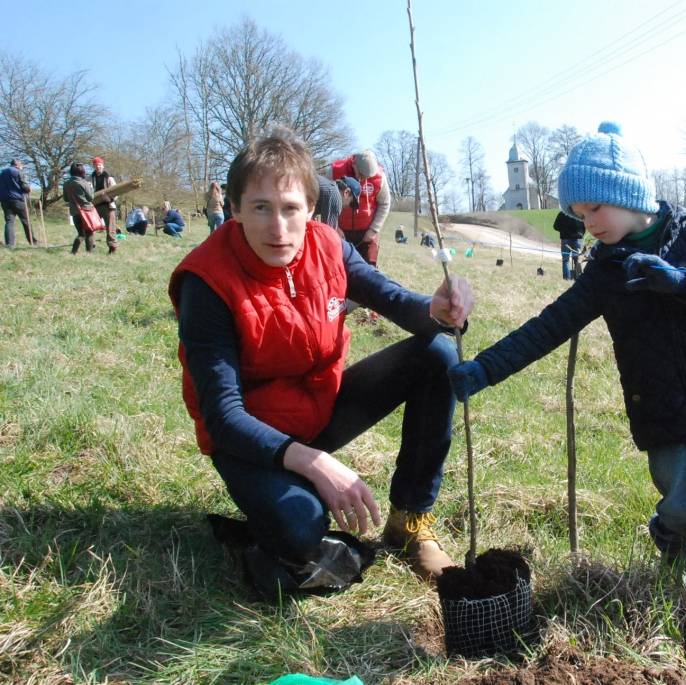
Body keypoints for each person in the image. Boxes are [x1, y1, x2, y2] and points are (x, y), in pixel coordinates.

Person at [447, 122, 686, 665]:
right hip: (658, 411)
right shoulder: (605, 270)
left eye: (594, 211)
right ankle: (675, 563)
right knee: (679, 505)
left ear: (628, 198)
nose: (586, 224)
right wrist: (485, 370)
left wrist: (679, 280)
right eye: (581, 215)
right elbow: (548, 327)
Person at [167, 128, 474, 597]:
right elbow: (223, 417)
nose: (278, 227)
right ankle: (265, 533)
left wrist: (436, 309)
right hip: (251, 439)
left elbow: (387, 295)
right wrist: (314, 463)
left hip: (320, 409)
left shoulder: (328, 245)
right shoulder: (206, 282)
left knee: (438, 351)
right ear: (233, 209)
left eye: (291, 208)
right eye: (260, 208)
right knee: (301, 528)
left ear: (310, 209)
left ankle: (409, 522)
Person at [331, 151, 391, 267]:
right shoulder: (335, 171)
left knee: (369, 268)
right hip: (341, 231)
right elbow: (325, 199)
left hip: (367, 233)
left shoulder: (380, 177)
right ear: (354, 164)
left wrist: (374, 229)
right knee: (340, 267)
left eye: (367, 177)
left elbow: (385, 203)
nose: (363, 179)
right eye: (361, 174)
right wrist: (335, 226)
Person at [1, 159, 38, 247]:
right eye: (21, 166)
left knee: (9, 222)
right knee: (26, 221)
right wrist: (28, 189)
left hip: (5, 200)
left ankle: (9, 244)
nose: (22, 167)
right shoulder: (18, 172)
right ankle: (33, 242)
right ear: (17, 165)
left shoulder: (1, 173)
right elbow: (24, 186)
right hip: (18, 200)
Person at [63, 162, 97, 254]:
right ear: (82, 172)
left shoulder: (66, 184)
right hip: (86, 211)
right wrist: (91, 188)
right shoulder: (84, 183)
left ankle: (73, 252)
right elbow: (91, 197)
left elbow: (66, 199)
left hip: (74, 212)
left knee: (81, 234)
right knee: (89, 233)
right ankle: (89, 253)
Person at [90, 157, 118, 253]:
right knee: (91, 226)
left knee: (111, 228)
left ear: (103, 165)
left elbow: (116, 192)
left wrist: (110, 199)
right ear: (93, 166)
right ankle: (91, 246)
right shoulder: (90, 178)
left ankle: (112, 247)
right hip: (95, 206)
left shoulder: (109, 178)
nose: (98, 167)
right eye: (96, 165)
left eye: (100, 165)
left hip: (108, 206)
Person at [553, 210, 585, 280]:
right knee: (578, 260)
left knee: (565, 260)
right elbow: (584, 224)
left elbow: (555, 226)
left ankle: (566, 278)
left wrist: (563, 230)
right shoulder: (578, 212)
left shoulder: (562, 213)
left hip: (565, 239)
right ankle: (579, 279)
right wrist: (581, 233)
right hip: (578, 239)